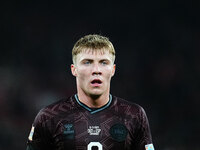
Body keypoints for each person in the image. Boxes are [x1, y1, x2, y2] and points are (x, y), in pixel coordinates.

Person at [26, 34, 155, 150]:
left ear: (113, 69)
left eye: (104, 62)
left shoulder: (133, 115)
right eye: (87, 62)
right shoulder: (49, 117)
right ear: (74, 69)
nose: (96, 70)